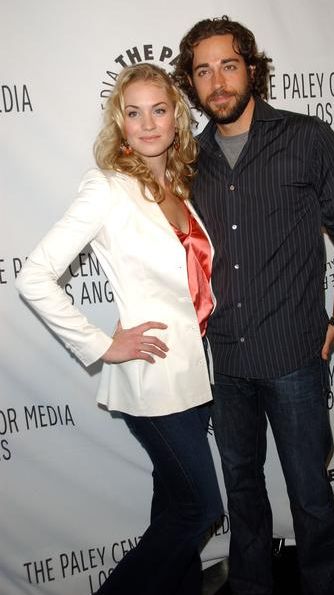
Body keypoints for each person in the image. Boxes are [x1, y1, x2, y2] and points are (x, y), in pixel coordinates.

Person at [173, 16, 334, 595]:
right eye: (203, 71)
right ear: (191, 82)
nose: (217, 82)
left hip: (294, 359)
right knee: (242, 493)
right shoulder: (189, 160)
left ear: (252, 70)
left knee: (310, 495)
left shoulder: (308, 139)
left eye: (228, 66)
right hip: (226, 365)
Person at [16, 63, 223, 595]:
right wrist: (103, 344)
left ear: (177, 119)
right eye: (135, 113)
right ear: (120, 123)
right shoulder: (107, 188)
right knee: (200, 509)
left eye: (159, 110)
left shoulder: (177, 186)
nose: (148, 124)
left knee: (172, 507)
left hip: (193, 376)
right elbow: (33, 276)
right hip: (152, 380)